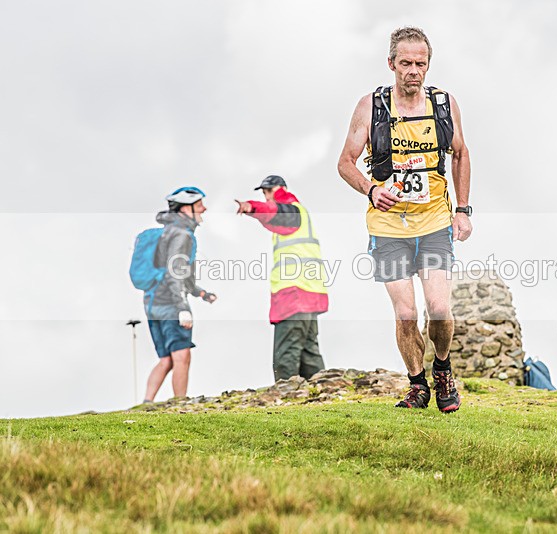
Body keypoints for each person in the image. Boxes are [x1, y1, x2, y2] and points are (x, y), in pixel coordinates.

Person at [337, 26, 472, 412]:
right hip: (388, 226)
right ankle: (417, 384)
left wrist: (462, 210)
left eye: (421, 64)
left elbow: (461, 154)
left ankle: (442, 370)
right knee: (407, 312)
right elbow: (345, 162)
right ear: (391, 64)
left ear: (428, 65)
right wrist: (371, 189)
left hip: (433, 222)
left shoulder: (443, 104)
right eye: (406, 64)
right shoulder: (372, 106)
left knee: (440, 310)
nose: (414, 71)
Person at [235, 175, 328, 381]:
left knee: (285, 356)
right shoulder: (300, 211)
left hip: (293, 293)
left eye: (266, 193)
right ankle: (324, 398)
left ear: (274, 190)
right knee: (309, 354)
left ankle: (285, 400)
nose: (266, 198)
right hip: (310, 293)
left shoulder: (290, 209)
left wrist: (251, 207)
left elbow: (273, 211)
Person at [144, 187, 216, 401]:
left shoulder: (169, 231)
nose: (204, 208)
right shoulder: (182, 235)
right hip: (170, 303)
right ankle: (179, 403)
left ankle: (147, 402)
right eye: (199, 204)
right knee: (181, 355)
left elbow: (176, 271)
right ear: (186, 208)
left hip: (152, 300)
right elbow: (174, 272)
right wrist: (182, 307)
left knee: (166, 359)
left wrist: (199, 292)